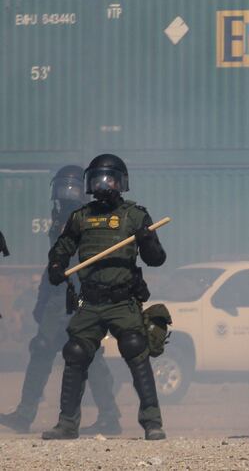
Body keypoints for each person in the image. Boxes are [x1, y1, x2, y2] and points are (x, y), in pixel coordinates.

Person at [43, 155, 167, 440]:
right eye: (97, 179)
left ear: (120, 182)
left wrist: (147, 240)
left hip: (122, 301)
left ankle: (152, 422)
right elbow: (61, 248)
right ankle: (67, 423)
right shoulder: (81, 217)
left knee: (136, 349)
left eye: (108, 179)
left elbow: (157, 259)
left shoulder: (135, 216)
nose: (102, 185)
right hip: (90, 300)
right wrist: (56, 265)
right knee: (75, 353)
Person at [0, 166, 120, 435]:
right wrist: (43, 300)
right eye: (63, 189)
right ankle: (26, 412)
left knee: (84, 355)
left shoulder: (91, 221)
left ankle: (108, 417)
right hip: (58, 296)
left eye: (72, 189)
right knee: (47, 350)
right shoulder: (59, 221)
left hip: (79, 297)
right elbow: (53, 265)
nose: (66, 194)